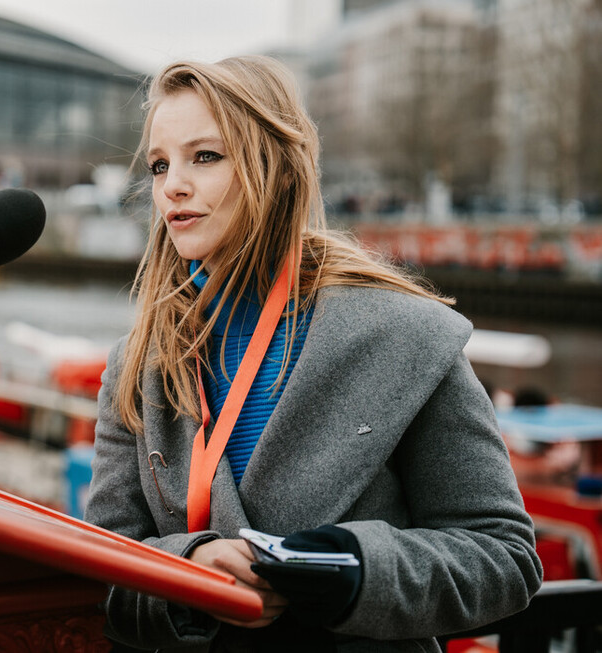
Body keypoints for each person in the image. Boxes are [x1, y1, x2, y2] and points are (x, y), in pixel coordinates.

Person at [83, 56, 541, 652]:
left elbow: (503, 559)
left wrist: (351, 570)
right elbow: (99, 570)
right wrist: (191, 567)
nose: (172, 186)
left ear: (274, 166)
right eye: (159, 164)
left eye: (205, 156)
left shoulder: (403, 336)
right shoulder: (138, 363)